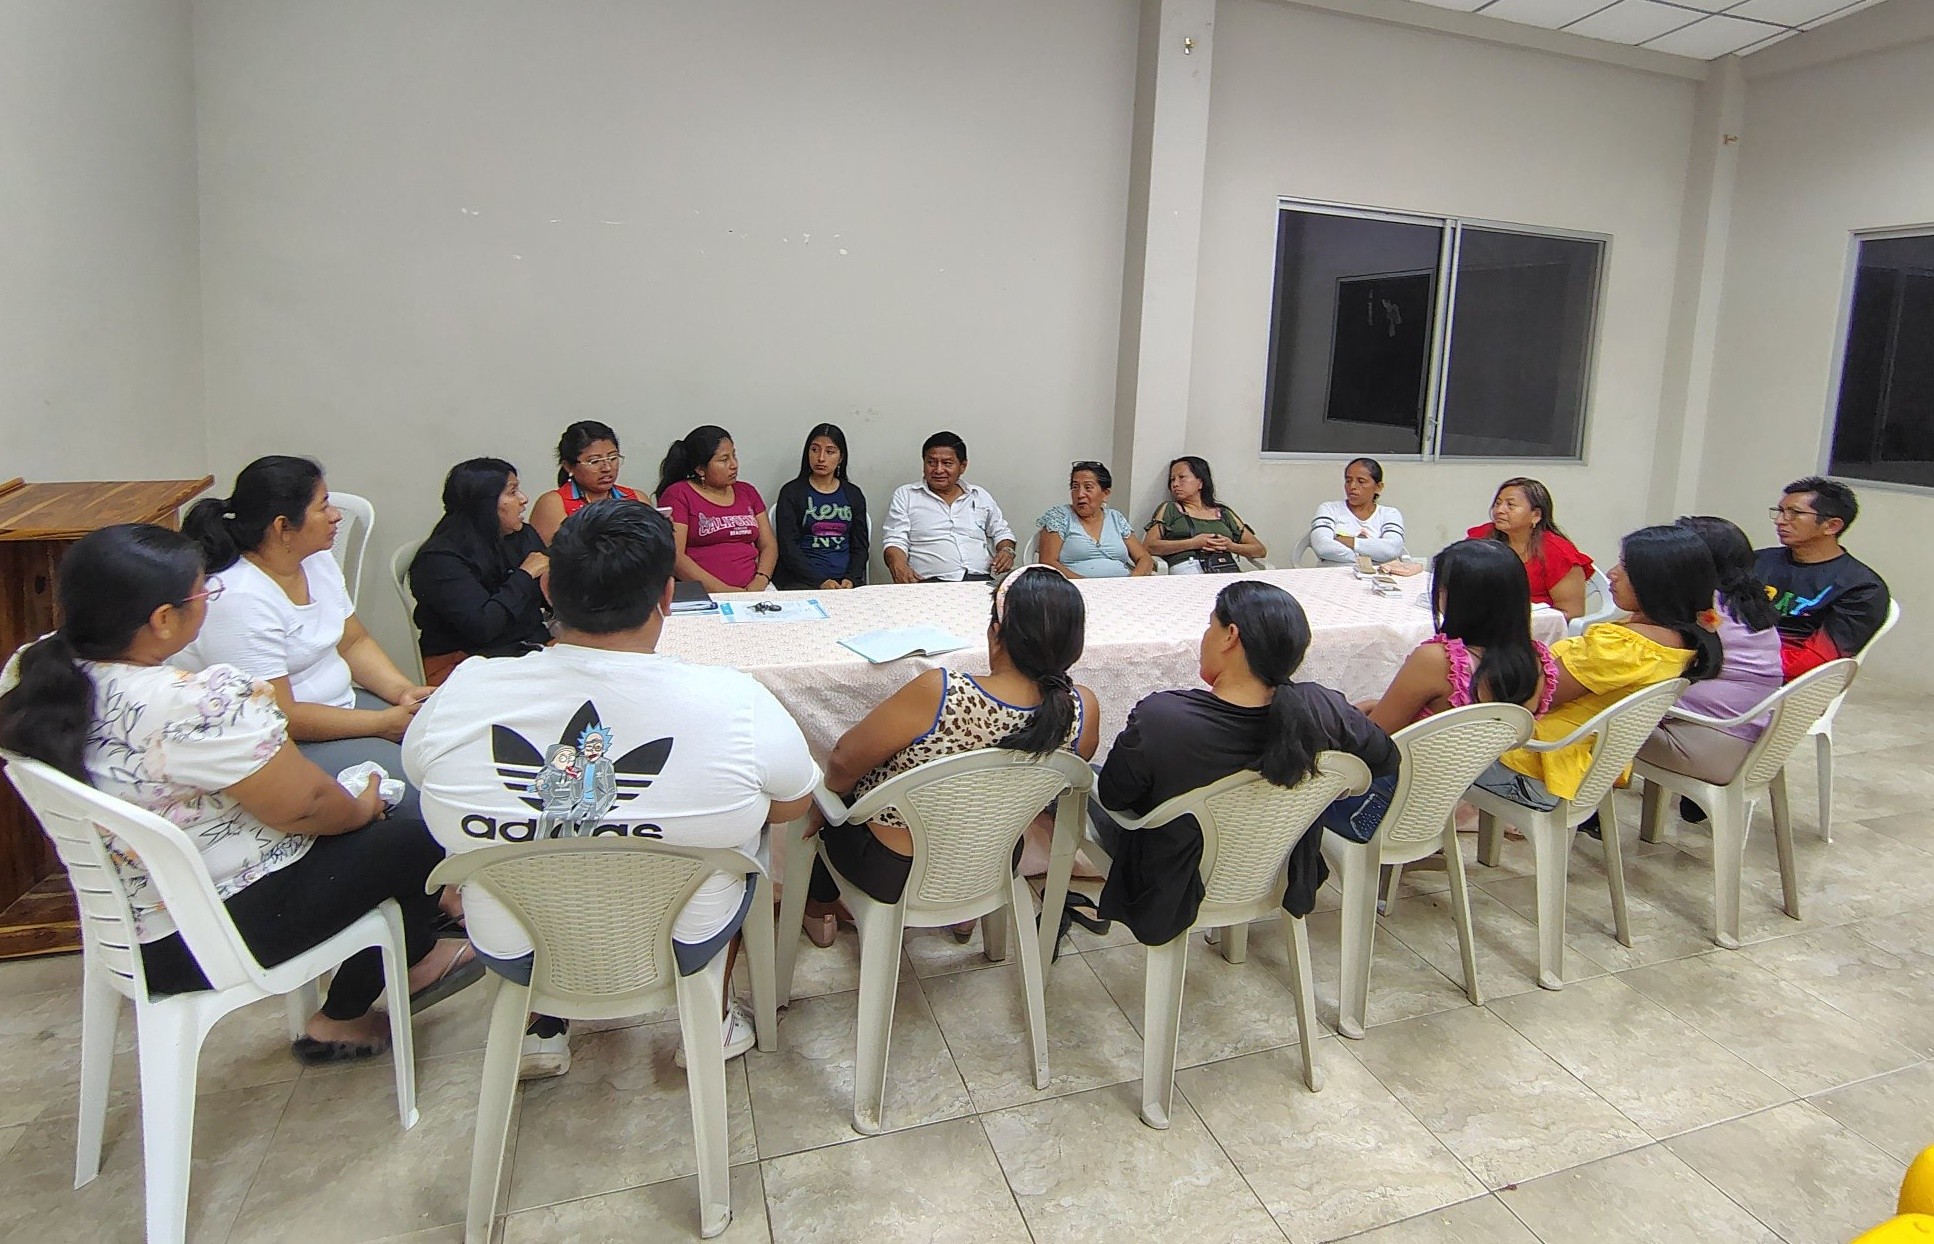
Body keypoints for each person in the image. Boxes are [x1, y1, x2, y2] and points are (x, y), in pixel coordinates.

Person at [0, 525, 478, 1065]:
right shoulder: (197, 702)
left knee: (377, 821)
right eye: (203, 592)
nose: (211, 600)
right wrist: (364, 806)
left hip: (134, 924)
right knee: (418, 829)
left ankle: (411, 954)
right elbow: (308, 807)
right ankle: (346, 1012)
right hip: (208, 936)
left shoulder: (34, 672)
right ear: (163, 619)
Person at [403, 501, 818, 1079]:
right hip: (682, 943)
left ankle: (541, 1029)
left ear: (546, 588)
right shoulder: (734, 700)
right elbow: (793, 803)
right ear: (667, 596)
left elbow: (421, 774)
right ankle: (711, 1023)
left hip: (517, 948)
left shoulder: (465, 689)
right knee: (743, 844)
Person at [801, 565, 1099, 943]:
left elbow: (843, 760)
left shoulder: (942, 692)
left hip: (893, 869)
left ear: (996, 634)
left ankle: (819, 910)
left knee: (836, 804)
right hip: (994, 862)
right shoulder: (1082, 710)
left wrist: (828, 800)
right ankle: (964, 916)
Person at [1093, 581, 1398, 945]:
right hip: (1276, 866)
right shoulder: (1323, 708)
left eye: (1210, 626)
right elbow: (1385, 758)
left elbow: (1114, 797)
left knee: (1091, 779)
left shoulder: (1163, 718)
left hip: (1175, 883)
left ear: (1230, 636)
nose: (1205, 637)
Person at [175, 457, 429, 819]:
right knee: (420, 792)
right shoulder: (239, 598)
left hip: (345, 709)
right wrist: (382, 723)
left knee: (445, 751)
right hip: (284, 742)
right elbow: (280, 714)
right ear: (283, 527)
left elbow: (352, 641)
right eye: (323, 507)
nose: (336, 516)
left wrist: (403, 692)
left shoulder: (316, 560)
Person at [1475, 525, 1723, 814]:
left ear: (1658, 582)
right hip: (1584, 767)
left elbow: (1527, 698)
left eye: (1626, 568)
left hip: (1535, 768)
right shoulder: (1681, 640)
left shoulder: (1622, 647)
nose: (1613, 573)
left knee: (1432, 735)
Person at [1638, 516, 1784, 822]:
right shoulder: (1748, 601)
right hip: (1751, 739)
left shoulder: (1701, 612)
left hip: (1708, 743)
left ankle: (1581, 817)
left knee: (1585, 725)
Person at [408, 458, 551, 687]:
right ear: (485, 503)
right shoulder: (439, 559)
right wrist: (525, 575)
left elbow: (551, 596)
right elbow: (483, 627)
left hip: (528, 646)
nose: (524, 499)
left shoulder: (521, 535)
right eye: (512, 492)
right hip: (466, 661)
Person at [1756, 475, 1890, 680]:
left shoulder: (1861, 588)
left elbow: (1810, 664)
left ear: (1831, 526)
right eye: (1781, 511)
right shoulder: (1757, 560)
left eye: (1795, 513)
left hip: (1776, 679)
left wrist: (1737, 659)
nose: (1780, 521)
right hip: (1730, 659)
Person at [880, 431, 1017, 583]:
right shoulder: (907, 495)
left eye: (947, 463)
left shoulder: (979, 496)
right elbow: (895, 539)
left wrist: (1007, 551)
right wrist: (898, 565)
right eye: (931, 463)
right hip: (928, 583)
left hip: (979, 581)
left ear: (962, 466)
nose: (938, 470)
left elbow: (1002, 532)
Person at [657, 425, 779, 593]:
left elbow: (768, 544)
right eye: (724, 460)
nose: (734, 465)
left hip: (755, 590)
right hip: (703, 593)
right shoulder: (678, 494)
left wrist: (761, 578)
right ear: (700, 469)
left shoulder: (747, 491)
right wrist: (725, 591)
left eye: (734, 455)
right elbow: (676, 557)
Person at [1467, 477, 1593, 620]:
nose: (1499, 510)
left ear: (1536, 515)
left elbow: (1572, 612)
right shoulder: (1482, 537)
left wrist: (1517, 622)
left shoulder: (1558, 552)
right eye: (1498, 503)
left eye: (1510, 505)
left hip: (1533, 625)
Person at [773, 423, 870, 590]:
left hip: (845, 582)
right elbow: (788, 547)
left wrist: (851, 578)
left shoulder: (853, 494)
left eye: (830, 452)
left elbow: (860, 546)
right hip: (802, 581)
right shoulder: (792, 492)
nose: (821, 458)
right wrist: (820, 581)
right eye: (815, 450)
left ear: (841, 458)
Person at [529, 421, 646, 545]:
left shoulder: (637, 498)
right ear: (568, 466)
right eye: (594, 461)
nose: (607, 468)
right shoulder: (553, 503)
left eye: (613, 458)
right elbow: (543, 555)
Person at [1144, 455, 1267, 572]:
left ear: (1200, 482)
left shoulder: (1223, 513)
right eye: (1172, 479)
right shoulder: (1170, 509)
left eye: (1182, 477)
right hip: (1188, 567)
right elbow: (1149, 546)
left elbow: (1260, 550)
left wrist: (1230, 546)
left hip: (1223, 567)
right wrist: (1193, 543)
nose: (1175, 484)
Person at [1035, 460, 1154, 579]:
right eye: (1075, 487)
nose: (1080, 494)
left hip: (1122, 586)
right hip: (1075, 586)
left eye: (1088, 487)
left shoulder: (1116, 518)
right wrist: (1086, 584)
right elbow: (1048, 562)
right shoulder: (1059, 516)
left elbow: (1144, 558)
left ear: (1105, 493)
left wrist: (1132, 580)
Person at [1308, 457, 1406, 566]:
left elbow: (1391, 549)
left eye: (1361, 481)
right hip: (1333, 574)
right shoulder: (1329, 509)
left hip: (1376, 575)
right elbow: (1323, 547)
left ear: (1378, 487)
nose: (1352, 486)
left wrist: (1351, 542)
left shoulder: (1390, 514)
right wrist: (1375, 557)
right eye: (1348, 481)